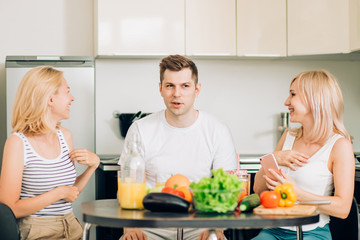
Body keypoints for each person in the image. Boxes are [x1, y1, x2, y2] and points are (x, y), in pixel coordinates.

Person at [118, 55, 237, 240]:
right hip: (149, 226)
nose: (177, 94)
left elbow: (227, 191)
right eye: (170, 86)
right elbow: (128, 187)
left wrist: (217, 229)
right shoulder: (140, 129)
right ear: (160, 88)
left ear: (197, 90)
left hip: (201, 226)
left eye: (185, 86)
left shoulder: (217, 130)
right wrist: (130, 227)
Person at [0, 66, 100, 240]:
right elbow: (9, 209)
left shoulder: (65, 136)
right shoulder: (17, 143)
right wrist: (58, 193)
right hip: (36, 231)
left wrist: (93, 166)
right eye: (67, 92)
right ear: (50, 98)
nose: (72, 98)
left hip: (71, 226)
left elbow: (70, 192)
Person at [253, 70, 354, 240]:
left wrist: (299, 194)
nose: (286, 102)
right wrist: (274, 157)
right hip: (273, 230)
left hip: (313, 233)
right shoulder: (288, 136)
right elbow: (259, 189)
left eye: (292, 94)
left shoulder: (339, 145)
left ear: (314, 99)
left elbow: (343, 209)